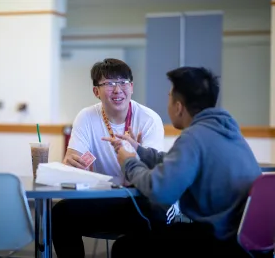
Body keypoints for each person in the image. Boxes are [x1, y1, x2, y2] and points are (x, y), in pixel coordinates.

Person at [106, 66, 265, 257]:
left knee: (126, 247)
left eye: (169, 96)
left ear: (179, 107)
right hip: (245, 241)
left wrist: (129, 161)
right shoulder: (227, 130)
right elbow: (176, 162)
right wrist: (139, 149)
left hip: (220, 241)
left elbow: (159, 190)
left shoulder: (194, 137)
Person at [52, 58, 176, 258]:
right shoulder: (86, 117)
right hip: (105, 198)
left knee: (155, 216)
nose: (118, 89)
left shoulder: (149, 118)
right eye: (109, 84)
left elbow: (152, 172)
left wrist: (133, 158)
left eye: (123, 82)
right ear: (96, 91)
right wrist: (73, 166)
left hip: (140, 200)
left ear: (132, 87)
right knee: (59, 214)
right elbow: (73, 160)